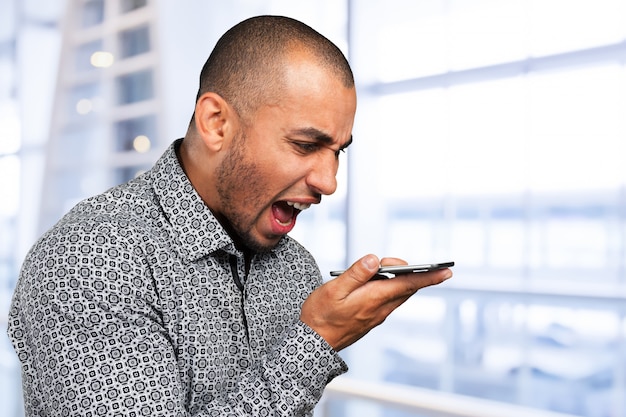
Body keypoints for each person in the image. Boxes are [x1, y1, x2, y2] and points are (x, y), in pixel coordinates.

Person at [8, 15, 452, 416]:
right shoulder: (89, 258)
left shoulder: (295, 268)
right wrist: (315, 341)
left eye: (337, 152)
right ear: (216, 123)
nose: (329, 181)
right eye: (305, 145)